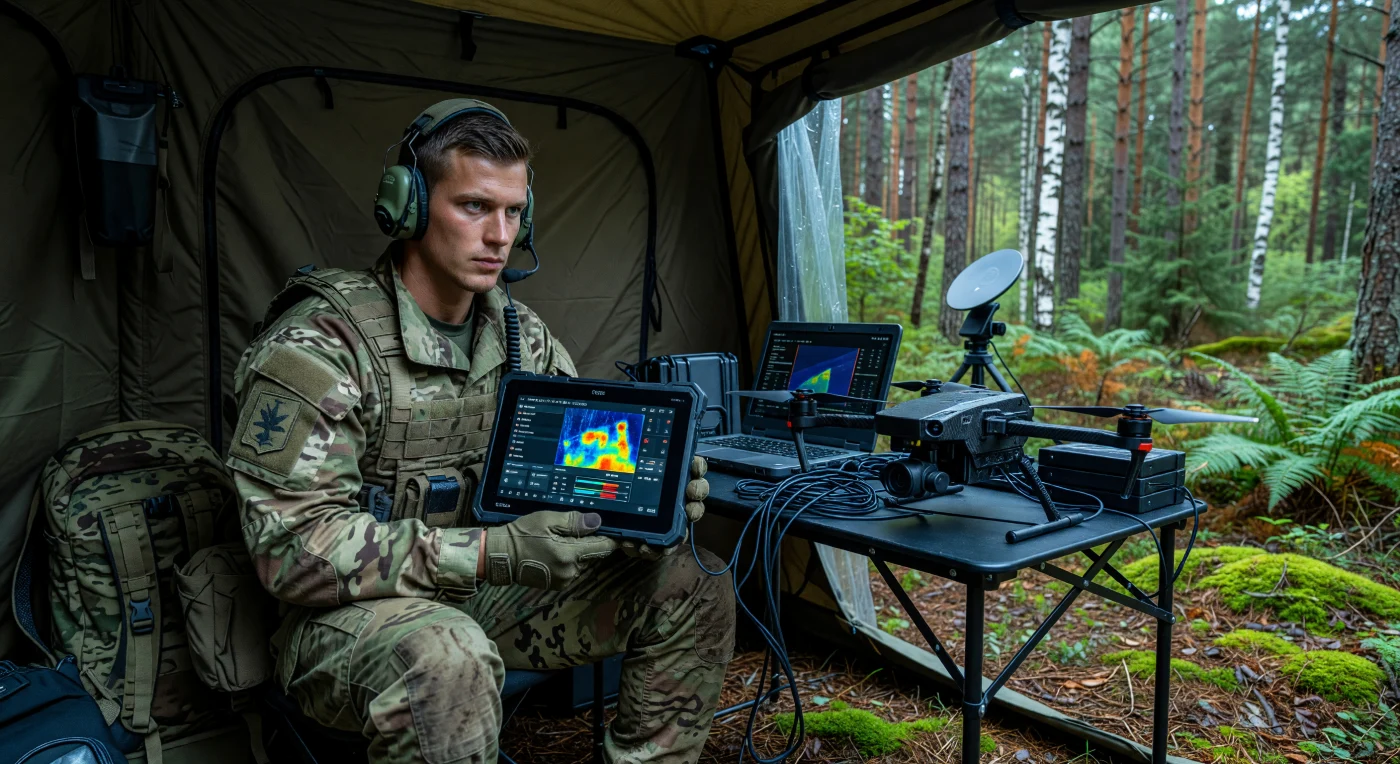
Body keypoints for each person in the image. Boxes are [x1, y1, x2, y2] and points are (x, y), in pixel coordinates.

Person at [225, 99, 734, 764]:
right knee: (446, 656)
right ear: (406, 208)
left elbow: (580, 467)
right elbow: (290, 551)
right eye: (473, 206)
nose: (500, 234)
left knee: (695, 578)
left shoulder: (521, 339)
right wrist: (490, 551)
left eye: (514, 211)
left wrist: (640, 504)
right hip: (342, 623)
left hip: (485, 597)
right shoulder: (323, 346)